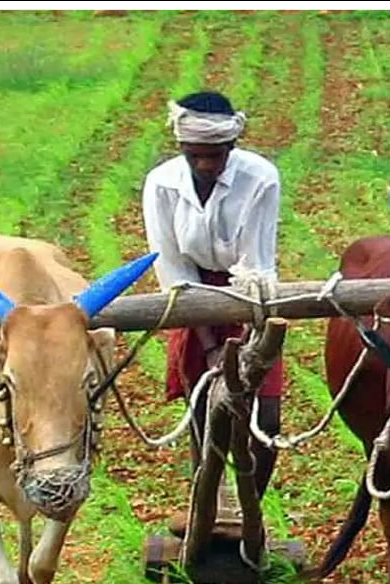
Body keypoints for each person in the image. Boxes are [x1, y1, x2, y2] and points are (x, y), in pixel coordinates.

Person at [142, 90, 284, 502]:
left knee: (267, 419)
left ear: (232, 146)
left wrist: (250, 347)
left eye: (215, 155)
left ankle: (249, 508)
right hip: (192, 296)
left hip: (250, 294)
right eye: (195, 156)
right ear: (182, 148)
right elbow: (172, 268)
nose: (205, 165)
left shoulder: (260, 177)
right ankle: (208, 500)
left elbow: (256, 263)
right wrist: (208, 347)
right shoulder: (162, 184)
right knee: (205, 407)